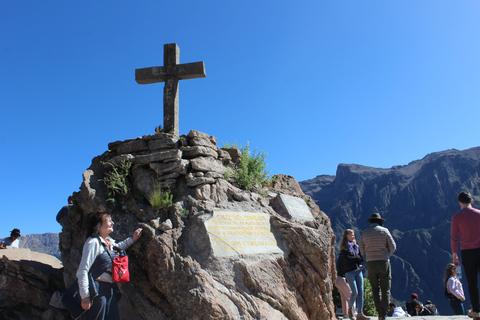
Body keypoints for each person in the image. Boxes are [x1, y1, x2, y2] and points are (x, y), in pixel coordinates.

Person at [76, 210, 142, 319]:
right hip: (96, 290)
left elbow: (118, 247)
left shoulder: (108, 242)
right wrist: (85, 296)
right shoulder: (92, 242)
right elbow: (83, 270)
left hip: (109, 289)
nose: (112, 223)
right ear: (99, 225)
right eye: (109, 220)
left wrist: (132, 239)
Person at [359, 213, 396, 320]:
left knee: (375, 288)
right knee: (385, 288)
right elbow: (393, 247)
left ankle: (378, 311)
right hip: (383, 261)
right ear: (380, 222)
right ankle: (383, 313)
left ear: (370, 222)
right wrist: (387, 253)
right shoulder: (384, 231)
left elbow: (362, 249)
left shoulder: (365, 233)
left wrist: (370, 253)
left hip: (370, 262)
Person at [451, 191, 480, 319]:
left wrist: (454, 255)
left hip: (467, 252)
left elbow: (454, 238)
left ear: (459, 202)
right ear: (472, 201)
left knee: (472, 282)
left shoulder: (456, 217)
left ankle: (476, 310)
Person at [338, 229, 370, 320]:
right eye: (351, 235)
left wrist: (354, 258)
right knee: (354, 292)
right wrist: (356, 258)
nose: (353, 236)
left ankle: (360, 313)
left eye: (353, 235)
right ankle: (351, 310)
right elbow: (348, 259)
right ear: (346, 236)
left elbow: (361, 258)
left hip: (358, 270)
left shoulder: (356, 246)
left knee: (361, 292)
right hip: (349, 272)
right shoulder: (344, 248)